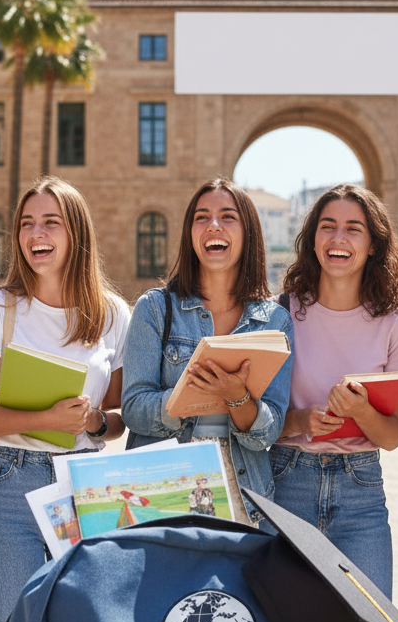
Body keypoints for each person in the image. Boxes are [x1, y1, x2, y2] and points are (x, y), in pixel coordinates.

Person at [270, 183, 398, 622]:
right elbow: (259, 419)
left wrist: (359, 412)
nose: (339, 238)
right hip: (288, 486)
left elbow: (393, 434)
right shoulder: (283, 314)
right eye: (328, 226)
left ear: (373, 245)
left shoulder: (394, 327)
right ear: (312, 241)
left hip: (360, 494)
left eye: (354, 228)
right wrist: (304, 420)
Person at [0, 176, 129, 622]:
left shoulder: (115, 315)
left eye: (50, 223)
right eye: (27, 224)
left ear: (76, 233)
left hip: (84, 487)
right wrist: (46, 417)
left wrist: (92, 422)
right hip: (8, 484)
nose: (37, 235)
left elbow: (118, 417)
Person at [121, 176, 292, 522]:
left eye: (228, 217)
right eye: (202, 217)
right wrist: (189, 395)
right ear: (190, 234)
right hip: (164, 485)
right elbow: (134, 409)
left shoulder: (275, 321)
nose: (213, 225)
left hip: (243, 493)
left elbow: (268, 432)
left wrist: (237, 397)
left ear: (248, 234)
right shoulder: (154, 309)